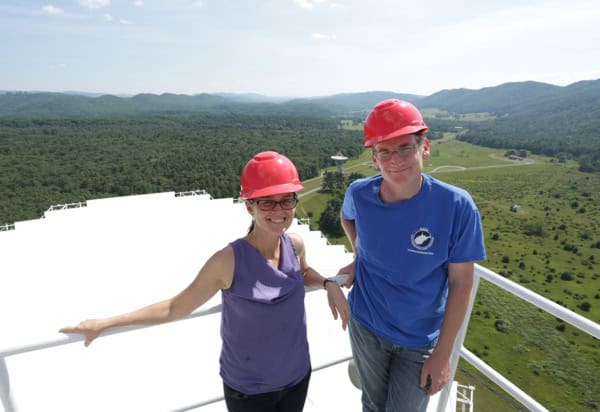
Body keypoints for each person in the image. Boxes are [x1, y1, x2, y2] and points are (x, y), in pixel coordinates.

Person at [60, 150, 351, 412]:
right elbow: (174, 307)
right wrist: (105, 323)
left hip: (298, 375)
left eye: (286, 200)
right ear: (249, 206)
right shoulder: (227, 261)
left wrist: (328, 283)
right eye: (267, 202)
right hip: (250, 392)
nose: (279, 211)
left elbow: (302, 272)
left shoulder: (295, 244)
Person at [338, 99, 486, 412]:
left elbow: (461, 284)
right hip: (365, 324)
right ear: (374, 159)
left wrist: (443, 354)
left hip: (418, 338)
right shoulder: (359, 194)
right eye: (385, 151)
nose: (396, 160)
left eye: (405, 147)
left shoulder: (456, 206)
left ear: (425, 147)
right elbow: (347, 218)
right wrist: (359, 255)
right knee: (372, 403)